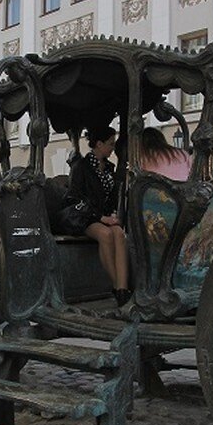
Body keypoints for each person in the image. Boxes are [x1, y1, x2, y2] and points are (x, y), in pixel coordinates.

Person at [56, 125, 129, 306]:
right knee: (105, 235)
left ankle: (122, 287)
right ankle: (119, 289)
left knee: (119, 233)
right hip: (83, 216)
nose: (113, 147)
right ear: (98, 144)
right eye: (110, 144)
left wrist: (112, 214)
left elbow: (111, 197)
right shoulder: (81, 167)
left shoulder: (109, 168)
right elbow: (74, 197)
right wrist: (101, 217)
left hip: (102, 217)